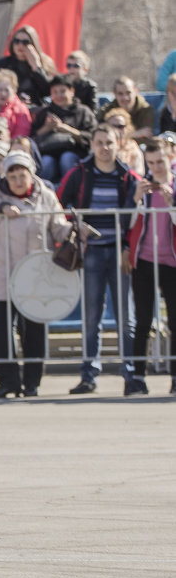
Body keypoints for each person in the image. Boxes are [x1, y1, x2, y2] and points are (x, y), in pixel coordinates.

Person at [0, 151, 70, 398]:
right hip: (4, 276)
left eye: (22, 175)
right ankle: (7, 381)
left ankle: (32, 382)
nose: (18, 181)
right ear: (6, 176)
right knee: (2, 330)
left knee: (34, 331)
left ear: (31, 175)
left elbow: (58, 228)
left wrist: (74, 230)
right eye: (13, 176)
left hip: (35, 277)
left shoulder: (46, 196)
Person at [57, 124, 138, 394]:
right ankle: (89, 374)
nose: (104, 148)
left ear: (118, 144)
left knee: (125, 317)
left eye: (109, 142)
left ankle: (131, 373)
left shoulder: (127, 177)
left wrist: (127, 245)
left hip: (119, 251)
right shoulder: (79, 173)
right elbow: (61, 204)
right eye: (99, 142)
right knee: (92, 316)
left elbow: (133, 218)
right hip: (91, 251)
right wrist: (75, 224)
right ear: (92, 144)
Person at [123, 138, 176, 396]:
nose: (156, 168)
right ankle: (137, 377)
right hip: (144, 260)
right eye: (151, 163)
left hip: (172, 261)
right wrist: (136, 200)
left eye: (160, 162)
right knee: (142, 320)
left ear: (170, 158)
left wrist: (171, 204)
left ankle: (175, 377)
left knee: (174, 322)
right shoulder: (140, 184)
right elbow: (129, 223)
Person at [30, 74, 96, 183]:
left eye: (62, 91)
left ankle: (71, 191)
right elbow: (31, 140)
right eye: (55, 92)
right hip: (49, 155)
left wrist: (66, 129)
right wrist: (46, 128)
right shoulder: (44, 113)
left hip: (74, 155)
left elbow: (92, 136)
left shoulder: (83, 112)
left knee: (67, 158)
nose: (59, 95)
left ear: (72, 91)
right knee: (46, 161)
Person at [0, 26, 54, 107]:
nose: (20, 45)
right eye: (16, 41)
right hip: (7, 109)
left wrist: (36, 67)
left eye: (25, 42)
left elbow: (49, 92)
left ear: (33, 44)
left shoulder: (44, 63)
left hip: (34, 111)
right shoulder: (3, 64)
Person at [99, 77, 155, 143]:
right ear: (115, 94)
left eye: (128, 93)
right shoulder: (106, 111)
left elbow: (147, 137)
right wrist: (134, 134)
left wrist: (118, 134)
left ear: (135, 91)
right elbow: (102, 136)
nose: (125, 98)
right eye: (120, 94)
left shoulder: (145, 110)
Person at [102, 109, 145, 177]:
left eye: (120, 126)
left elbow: (139, 174)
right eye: (112, 126)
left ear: (127, 128)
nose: (117, 130)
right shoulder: (101, 146)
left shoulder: (133, 148)